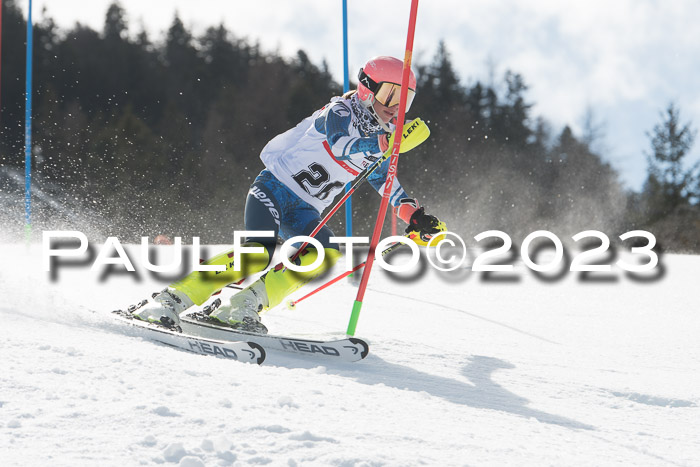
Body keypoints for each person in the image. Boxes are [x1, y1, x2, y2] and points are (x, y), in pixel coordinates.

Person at [130, 56, 445, 333]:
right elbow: (339, 145)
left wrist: (415, 216)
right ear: (366, 88)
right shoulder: (340, 110)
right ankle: (168, 300)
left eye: (406, 99)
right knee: (258, 252)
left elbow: (384, 182)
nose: (395, 107)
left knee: (323, 252)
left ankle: (242, 306)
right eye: (391, 94)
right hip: (274, 189)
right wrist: (381, 145)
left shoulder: (383, 138)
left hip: (305, 211)